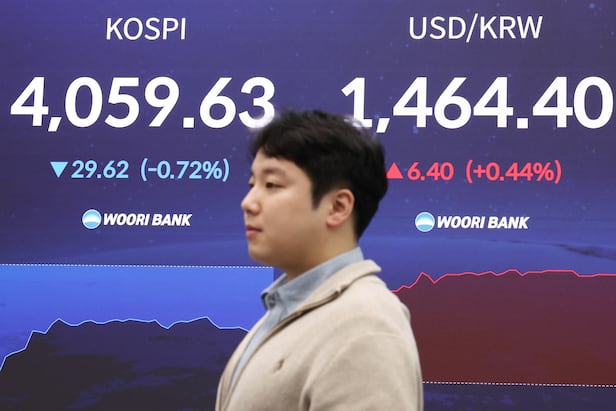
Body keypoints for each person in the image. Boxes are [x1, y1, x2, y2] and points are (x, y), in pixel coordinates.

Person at [215, 109, 423, 411]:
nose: (248, 203)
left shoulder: (364, 327)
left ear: (338, 207)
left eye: (272, 185)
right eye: (252, 184)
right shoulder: (289, 310)